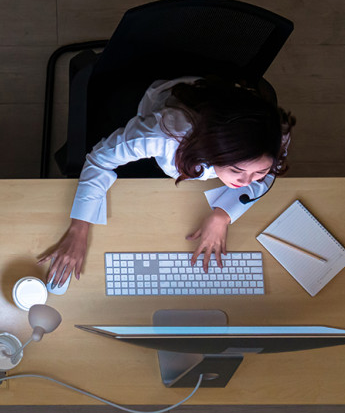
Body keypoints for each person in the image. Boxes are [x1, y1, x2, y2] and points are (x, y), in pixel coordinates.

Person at [38, 76, 295, 287]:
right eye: (236, 170)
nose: (247, 181)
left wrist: (222, 215)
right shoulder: (165, 135)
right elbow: (99, 160)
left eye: (258, 172)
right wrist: (78, 230)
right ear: (214, 149)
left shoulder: (275, 133)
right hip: (166, 98)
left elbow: (269, 172)